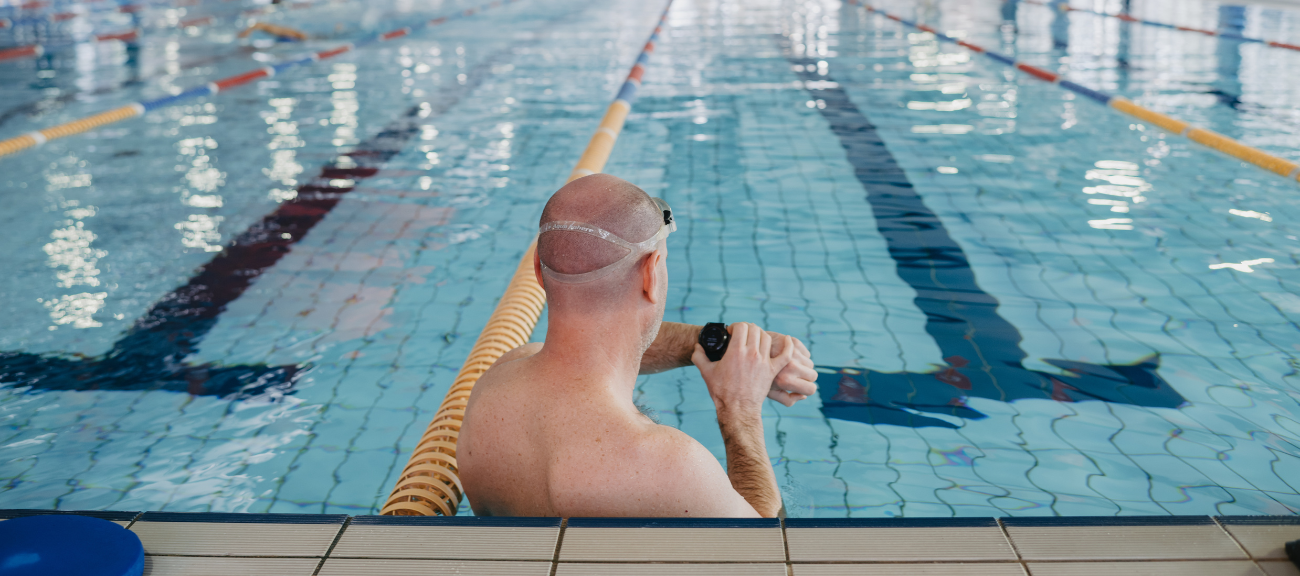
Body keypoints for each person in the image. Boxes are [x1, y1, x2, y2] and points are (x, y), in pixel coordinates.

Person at [459, 174, 818, 518]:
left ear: (538, 269)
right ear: (651, 273)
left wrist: (719, 343)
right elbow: (769, 551)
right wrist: (738, 408)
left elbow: (589, 347)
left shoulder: (489, 393)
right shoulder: (669, 467)